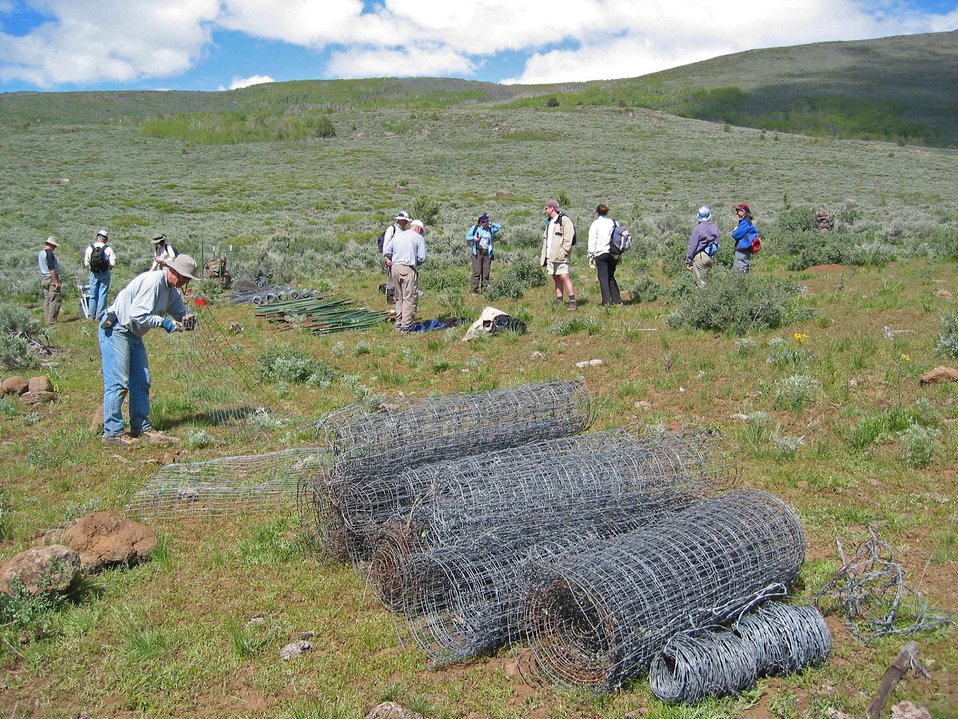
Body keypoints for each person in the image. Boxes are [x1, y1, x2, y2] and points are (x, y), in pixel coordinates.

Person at [98, 254, 200, 448]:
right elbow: (137, 314)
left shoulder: (171, 290)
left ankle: (141, 426)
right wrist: (165, 323)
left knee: (142, 380)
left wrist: (188, 318)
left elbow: (180, 311)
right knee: (118, 382)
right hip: (117, 329)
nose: (186, 282)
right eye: (186, 278)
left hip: (133, 334)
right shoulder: (154, 282)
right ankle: (112, 433)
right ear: (175, 272)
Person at [384, 219, 427, 332]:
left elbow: (387, 252)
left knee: (399, 297)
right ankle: (406, 326)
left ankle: (398, 322)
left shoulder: (398, 236)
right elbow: (422, 257)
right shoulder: (418, 237)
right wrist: (414, 262)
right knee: (410, 297)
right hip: (407, 268)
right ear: (419, 228)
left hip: (394, 268)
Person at [541, 200, 577, 310]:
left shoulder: (564, 220)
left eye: (546, 208)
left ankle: (572, 300)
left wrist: (564, 251)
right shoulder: (549, 222)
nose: (545, 210)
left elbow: (568, 237)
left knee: (564, 276)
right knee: (555, 277)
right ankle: (559, 300)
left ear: (552, 208)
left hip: (561, 255)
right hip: (551, 255)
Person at [587, 204, 622, 306]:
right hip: (613, 253)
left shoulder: (595, 224)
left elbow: (592, 240)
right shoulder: (614, 222)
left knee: (603, 278)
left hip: (600, 254)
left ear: (597, 212)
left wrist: (591, 255)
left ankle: (607, 302)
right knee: (611, 276)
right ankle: (617, 300)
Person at [83, 229, 116, 321]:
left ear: (97, 237)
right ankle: (99, 316)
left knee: (93, 295)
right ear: (106, 239)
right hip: (104, 273)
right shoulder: (108, 249)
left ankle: (91, 316)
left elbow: (86, 262)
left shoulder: (90, 248)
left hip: (93, 273)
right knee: (103, 294)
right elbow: (113, 263)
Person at [465, 213, 501, 294]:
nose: (487, 224)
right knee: (477, 272)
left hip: (487, 253)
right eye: (486, 222)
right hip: (477, 252)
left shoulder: (490, 229)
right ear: (481, 223)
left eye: (488, 222)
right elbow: (467, 236)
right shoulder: (475, 228)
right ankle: (474, 290)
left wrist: (491, 223)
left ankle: (484, 290)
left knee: (486, 272)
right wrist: (473, 238)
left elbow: (499, 227)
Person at [380, 211, 412, 304]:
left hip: (400, 257)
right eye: (405, 220)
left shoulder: (403, 230)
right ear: (400, 220)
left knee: (397, 277)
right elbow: (386, 243)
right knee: (391, 278)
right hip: (392, 257)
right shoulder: (392, 229)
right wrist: (387, 258)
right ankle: (390, 297)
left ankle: (397, 295)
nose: (406, 222)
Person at [685, 206, 720, 287]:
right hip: (710, 257)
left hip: (700, 258)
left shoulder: (697, 229)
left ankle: (705, 299)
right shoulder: (714, 227)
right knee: (709, 281)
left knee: (701, 285)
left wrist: (689, 260)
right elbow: (717, 242)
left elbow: (692, 246)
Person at [38, 236, 62, 326]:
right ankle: (52, 321)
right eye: (54, 245)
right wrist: (56, 281)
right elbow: (51, 268)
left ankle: (47, 318)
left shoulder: (41, 253)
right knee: (55, 299)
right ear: (51, 244)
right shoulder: (50, 254)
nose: (55, 247)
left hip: (44, 278)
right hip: (51, 278)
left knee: (47, 299)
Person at [731, 203, 759, 273]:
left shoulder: (745, 222)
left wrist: (735, 230)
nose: (737, 213)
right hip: (745, 250)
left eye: (738, 210)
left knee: (739, 272)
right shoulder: (747, 221)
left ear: (743, 211)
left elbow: (735, 235)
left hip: (742, 250)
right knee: (743, 270)